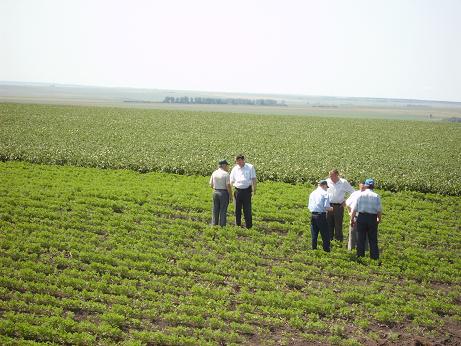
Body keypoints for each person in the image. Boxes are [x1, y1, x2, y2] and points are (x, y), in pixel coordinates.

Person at [350, 178, 382, 260]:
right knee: (373, 239)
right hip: (372, 218)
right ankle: (374, 258)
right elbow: (379, 210)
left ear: (366, 186)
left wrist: (352, 219)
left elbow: (354, 209)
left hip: (361, 217)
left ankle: (360, 258)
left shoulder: (360, 195)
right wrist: (379, 219)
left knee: (361, 239)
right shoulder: (376, 196)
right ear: (373, 186)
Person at [326, 169, 355, 242]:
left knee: (338, 225)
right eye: (330, 176)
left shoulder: (343, 182)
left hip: (339, 207)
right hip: (328, 206)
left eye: (332, 176)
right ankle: (329, 241)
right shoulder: (327, 181)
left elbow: (353, 193)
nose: (330, 177)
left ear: (337, 175)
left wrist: (346, 202)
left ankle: (338, 243)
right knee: (328, 224)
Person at [229, 154, 256, 228]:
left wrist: (254, 191)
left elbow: (254, 179)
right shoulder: (235, 169)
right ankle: (237, 225)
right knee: (237, 209)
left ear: (243, 160)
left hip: (247, 191)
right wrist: (230, 192)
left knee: (247, 209)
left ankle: (249, 226)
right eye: (237, 162)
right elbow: (231, 181)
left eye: (240, 161)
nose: (238, 163)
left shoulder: (250, 167)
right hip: (237, 191)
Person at [308, 180, 333, 252]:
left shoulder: (312, 193)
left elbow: (309, 206)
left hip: (313, 215)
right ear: (324, 185)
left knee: (314, 233)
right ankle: (326, 250)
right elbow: (326, 207)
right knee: (325, 234)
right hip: (321, 215)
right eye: (326, 187)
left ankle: (314, 249)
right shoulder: (325, 194)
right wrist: (332, 209)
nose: (326, 188)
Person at [345, 182, 368, 251]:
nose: (363, 188)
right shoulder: (355, 194)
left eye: (364, 187)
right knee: (352, 234)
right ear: (359, 186)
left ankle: (364, 251)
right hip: (356, 216)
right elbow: (347, 203)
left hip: (365, 216)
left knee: (364, 235)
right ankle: (351, 250)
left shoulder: (369, 195)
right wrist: (350, 213)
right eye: (361, 187)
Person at [209, 159, 233, 226]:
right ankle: (222, 226)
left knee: (215, 209)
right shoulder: (226, 174)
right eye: (227, 165)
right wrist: (230, 196)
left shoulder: (214, 173)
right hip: (223, 193)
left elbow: (211, 184)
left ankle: (214, 224)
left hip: (215, 192)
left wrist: (216, 188)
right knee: (223, 210)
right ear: (224, 165)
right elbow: (228, 186)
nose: (227, 167)